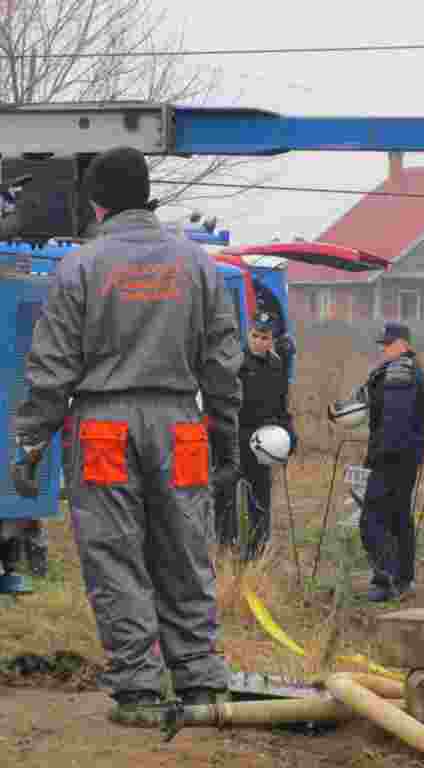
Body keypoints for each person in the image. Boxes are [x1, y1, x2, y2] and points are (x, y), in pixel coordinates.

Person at [10, 146, 243, 722]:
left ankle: (139, 689)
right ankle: (200, 681)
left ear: (97, 202)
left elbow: (53, 368)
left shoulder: (80, 267)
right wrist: (225, 434)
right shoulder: (196, 264)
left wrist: (31, 442)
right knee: (185, 551)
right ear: (148, 195)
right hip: (180, 424)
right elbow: (222, 361)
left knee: (115, 556)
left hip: (104, 428)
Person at [360, 322, 424, 602]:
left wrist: (380, 455)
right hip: (406, 456)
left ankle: (385, 579)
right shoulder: (411, 370)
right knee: (399, 516)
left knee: (374, 518)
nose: (384, 349)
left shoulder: (400, 373)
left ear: (404, 344)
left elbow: (394, 421)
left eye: (389, 344)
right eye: (383, 344)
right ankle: (403, 578)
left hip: (391, 456)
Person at [216, 312, 296, 559]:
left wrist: (288, 433)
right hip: (236, 437)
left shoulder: (276, 365)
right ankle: (225, 547)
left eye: (264, 337)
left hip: (264, 441)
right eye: (255, 335)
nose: (259, 341)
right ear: (248, 335)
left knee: (260, 496)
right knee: (227, 495)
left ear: (271, 340)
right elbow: (221, 403)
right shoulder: (235, 364)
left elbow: (281, 406)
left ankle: (256, 550)